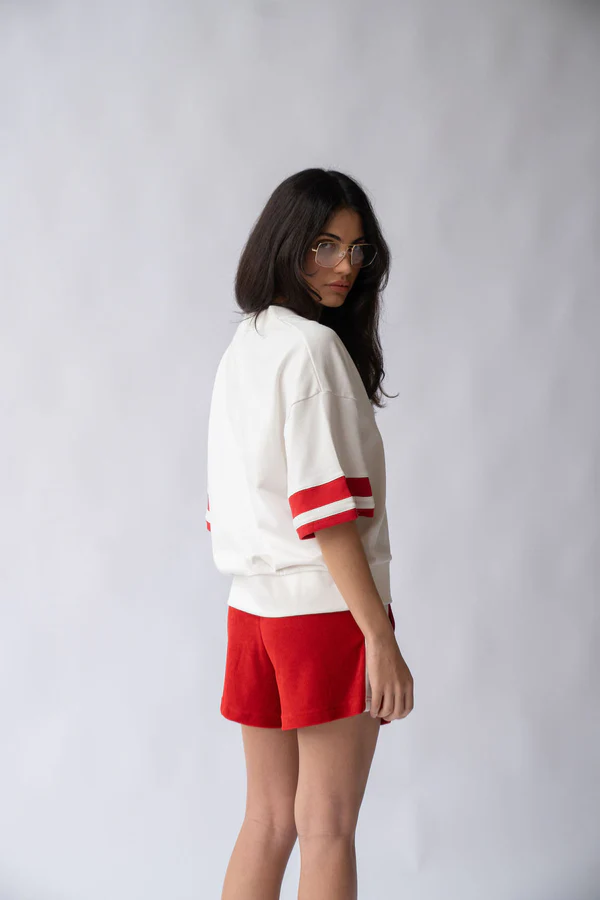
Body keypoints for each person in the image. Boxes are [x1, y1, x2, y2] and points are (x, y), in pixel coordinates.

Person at [206, 168, 414, 900]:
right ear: (285, 241)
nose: (343, 266)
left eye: (356, 250)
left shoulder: (247, 344)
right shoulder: (312, 351)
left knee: (267, 821)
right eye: (325, 244)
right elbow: (327, 519)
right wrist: (379, 638)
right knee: (327, 827)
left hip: (253, 614)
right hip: (326, 617)